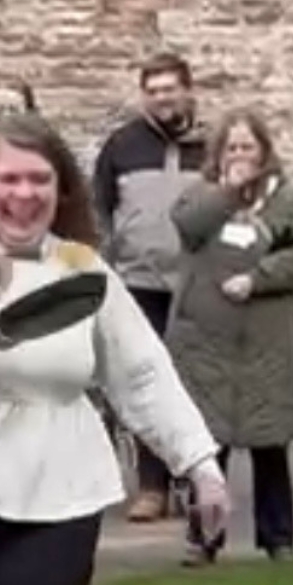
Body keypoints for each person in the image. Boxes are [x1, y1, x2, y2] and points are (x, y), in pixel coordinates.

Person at [0, 115, 229, 585]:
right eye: (9, 179)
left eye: (39, 179)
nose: (25, 193)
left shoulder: (80, 269)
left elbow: (142, 372)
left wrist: (200, 463)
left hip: (58, 482)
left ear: (61, 190)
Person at [167, 111, 293, 565]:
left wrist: (259, 279)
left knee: (270, 445)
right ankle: (203, 539)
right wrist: (229, 193)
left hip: (266, 341)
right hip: (207, 343)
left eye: (247, 147)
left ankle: (279, 540)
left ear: (263, 152)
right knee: (208, 449)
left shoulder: (286, 200)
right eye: (231, 147)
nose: (239, 155)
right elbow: (188, 227)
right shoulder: (200, 195)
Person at [92, 56, 208, 521]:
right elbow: (101, 209)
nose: (161, 98)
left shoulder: (211, 145)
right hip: (139, 282)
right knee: (145, 382)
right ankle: (152, 486)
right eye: (153, 90)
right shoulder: (122, 146)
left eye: (169, 89)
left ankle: (195, 481)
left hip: (198, 283)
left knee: (196, 383)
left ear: (187, 91)